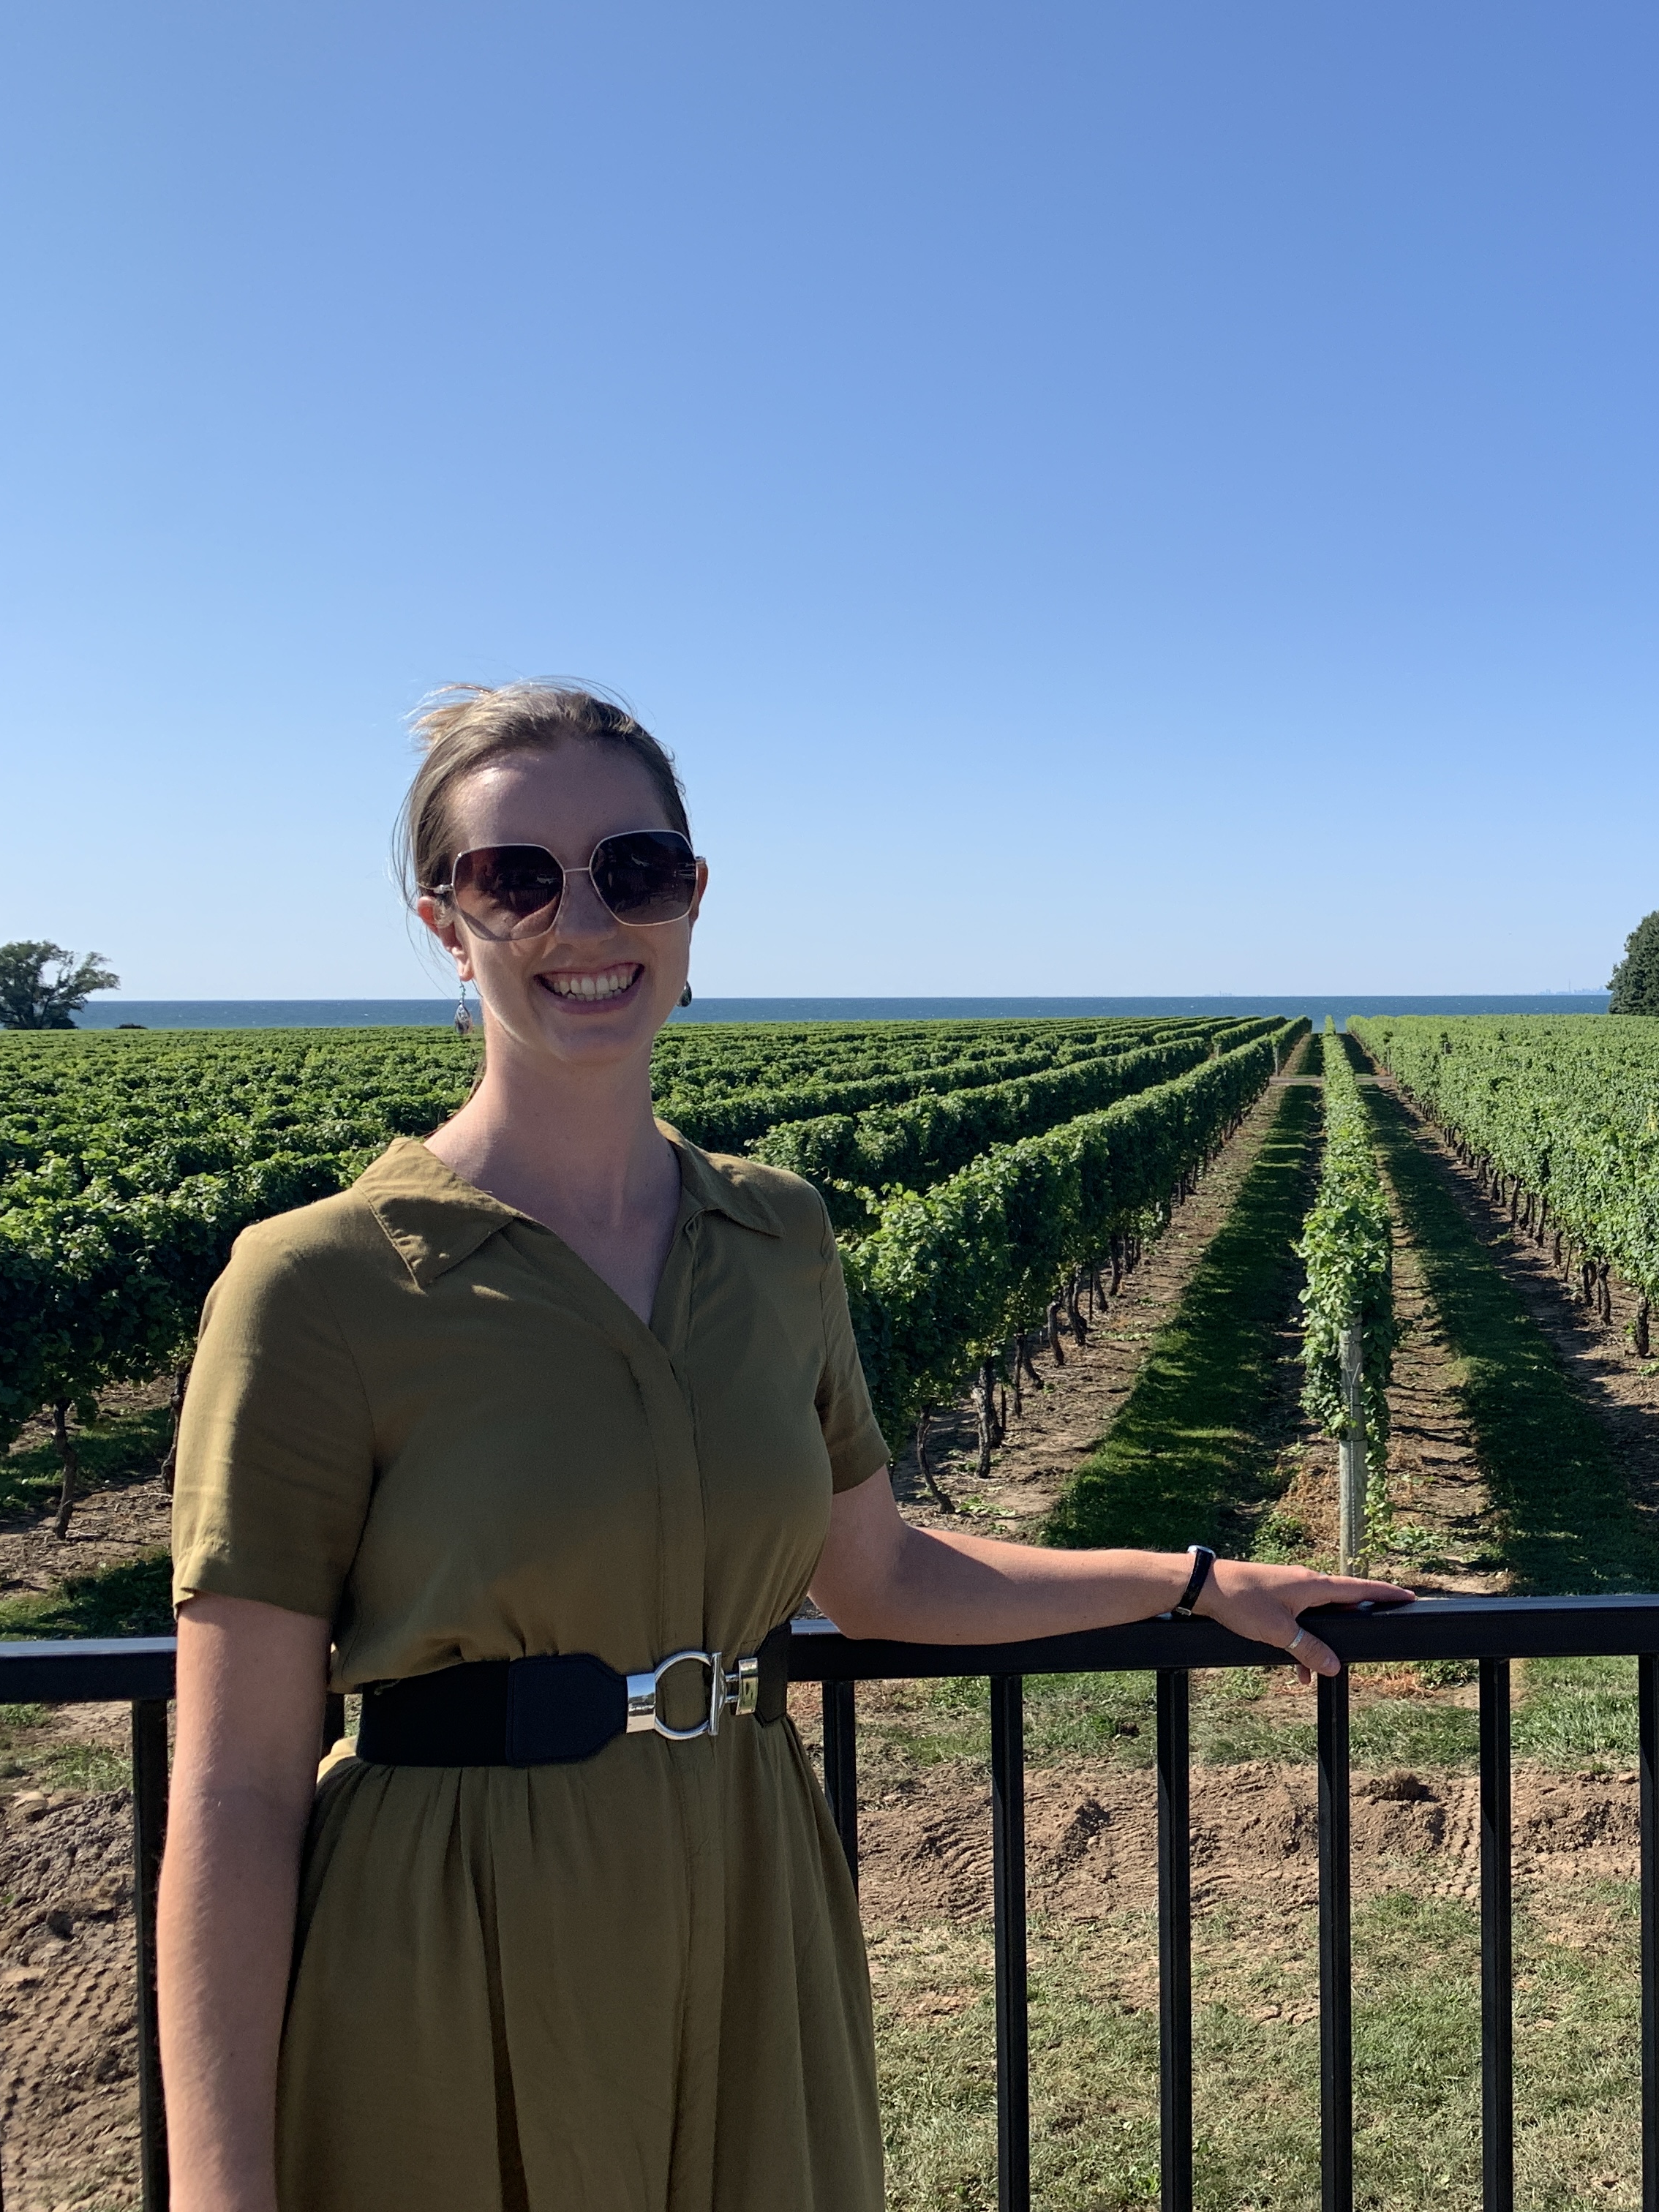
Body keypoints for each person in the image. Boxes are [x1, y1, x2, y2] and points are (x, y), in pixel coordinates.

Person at [156, 682, 1407, 2212]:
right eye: (515, 878)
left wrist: (1195, 1577)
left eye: (635, 869)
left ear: (692, 897)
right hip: (454, 1936)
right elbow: (233, 1789)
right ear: (443, 924)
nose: (583, 919)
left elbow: (875, 1573)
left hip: (749, 1885)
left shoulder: (778, 1236)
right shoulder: (320, 1283)